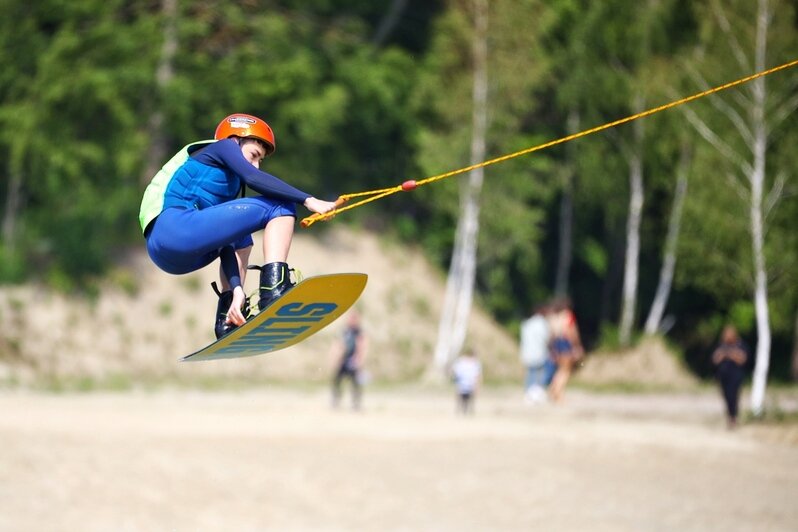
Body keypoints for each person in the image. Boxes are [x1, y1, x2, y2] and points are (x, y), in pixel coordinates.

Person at [139, 113, 337, 339]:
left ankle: (229, 315)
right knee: (282, 205)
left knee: (241, 239)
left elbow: (226, 246)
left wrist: (237, 290)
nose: (256, 165)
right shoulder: (223, 146)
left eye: (260, 160)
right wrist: (309, 200)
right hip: (174, 228)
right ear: (236, 140)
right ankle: (274, 288)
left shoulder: (224, 187)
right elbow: (253, 178)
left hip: (167, 253)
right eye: (254, 155)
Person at [712, 325, 749, 429]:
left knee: (734, 397)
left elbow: (742, 359)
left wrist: (730, 354)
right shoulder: (721, 345)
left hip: (736, 377)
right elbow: (715, 359)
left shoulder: (740, 345)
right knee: (726, 397)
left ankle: (734, 418)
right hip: (723, 376)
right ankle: (730, 417)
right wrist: (724, 354)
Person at [547, 297, 583, 403]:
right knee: (566, 371)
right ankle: (558, 393)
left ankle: (554, 389)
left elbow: (551, 334)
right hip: (566, 342)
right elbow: (571, 331)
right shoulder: (568, 315)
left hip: (556, 343)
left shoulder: (553, 316)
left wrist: (552, 348)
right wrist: (576, 345)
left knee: (560, 370)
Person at [332, 310, 367, 411]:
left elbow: (362, 346)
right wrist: (336, 359)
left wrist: (360, 360)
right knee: (337, 380)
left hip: (353, 360)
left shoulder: (359, 331)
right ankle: (336, 400)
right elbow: (339, 344)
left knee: (355, 383)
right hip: (343, 360)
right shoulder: (345, 331)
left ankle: (356, 403)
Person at [519, 304, 552, 404]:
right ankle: (534, 394)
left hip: (527, 351)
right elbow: (546, 338)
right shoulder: (542, 323)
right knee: (539, 374)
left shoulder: (527, 323)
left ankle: (528, 394)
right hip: (539, 352)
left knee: (530, 373)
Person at [451, 348, 482, 415]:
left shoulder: (461, 361)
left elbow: (455, 372)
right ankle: (465, 411)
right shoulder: (474, 363)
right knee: (465, 398)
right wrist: (477, 384)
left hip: (464, 383)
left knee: (465, 399)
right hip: (467, 383)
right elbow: (477, 375)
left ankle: (463, 411)